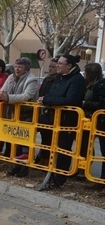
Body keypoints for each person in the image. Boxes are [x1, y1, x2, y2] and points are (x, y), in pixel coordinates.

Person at [37, 54, 86, 189]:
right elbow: (53, 94)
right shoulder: (59, 78)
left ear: (69, 66)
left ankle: (59, 179)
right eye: (57, 63)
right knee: (53, 148)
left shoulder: (77, 80)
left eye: (60, 64)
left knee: (63, 150)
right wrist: (47, 99)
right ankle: (52, 174)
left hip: (67, 121)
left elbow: (70, 100)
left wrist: (47, 100)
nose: (57, 66)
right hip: (54, 118)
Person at [0, 57, 38, 177]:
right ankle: (16, 166)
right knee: (16, 141)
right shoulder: (10, 77)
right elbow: (3, 90)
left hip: (27, 113)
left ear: (27, 68)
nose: (17, 69)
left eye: (20, 67)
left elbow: (27, 95)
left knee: (25, 141)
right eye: (15, 66)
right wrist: (1, 95)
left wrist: (8, 98)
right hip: (14, 113)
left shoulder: (32, 80)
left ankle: (24, 169)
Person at [78, 63, 105, 180]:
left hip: (94, 119)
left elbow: (100, 104)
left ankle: (98, 177)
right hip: (86, 119)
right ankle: (81, 168)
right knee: (84, 144)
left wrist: (84, 103)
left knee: (90, 146)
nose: (84, 74)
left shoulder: (99, 86)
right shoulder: (87, 85)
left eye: (86, 72)